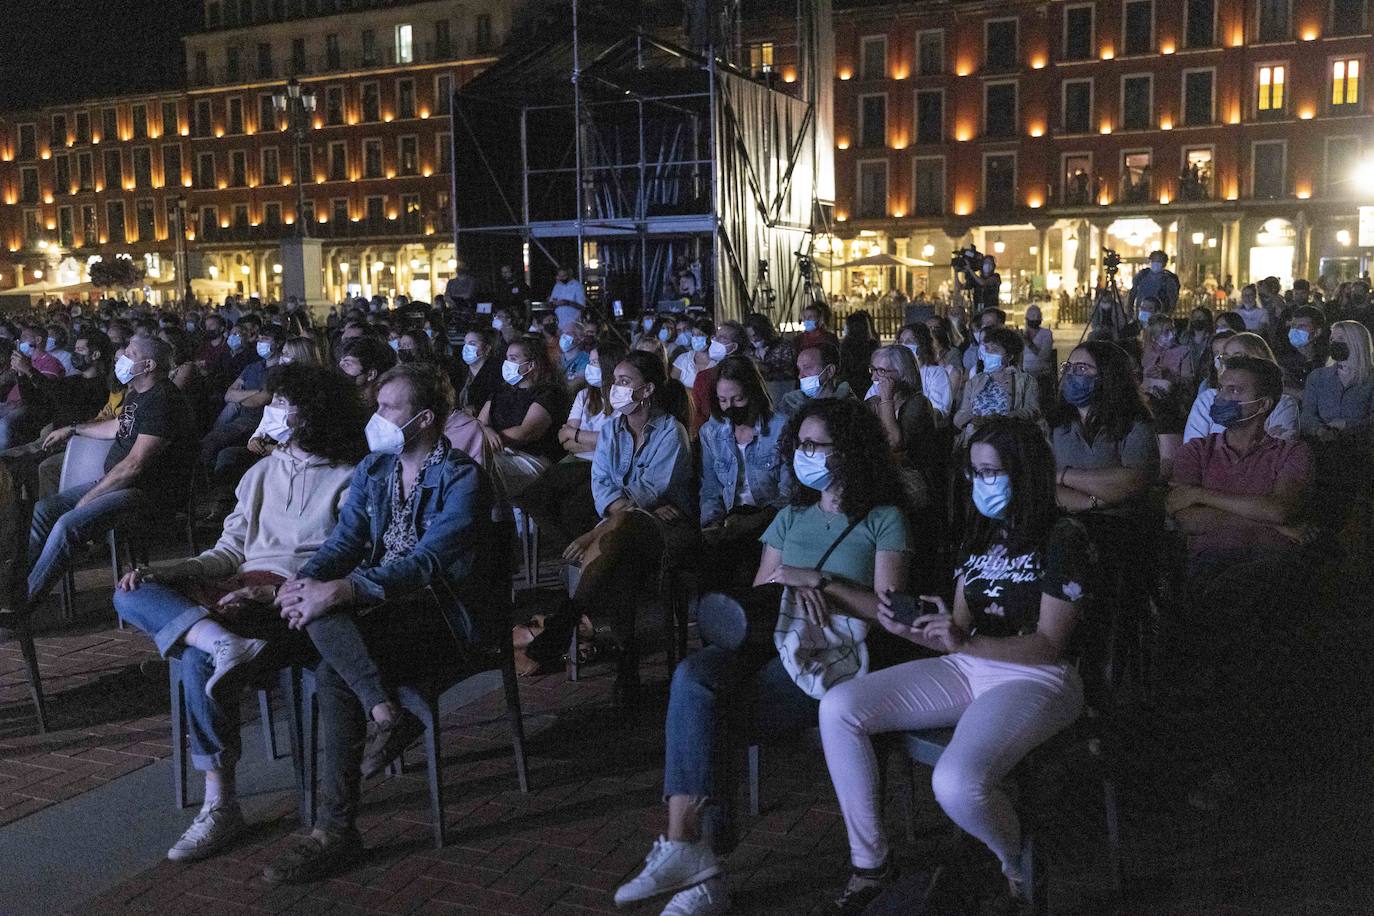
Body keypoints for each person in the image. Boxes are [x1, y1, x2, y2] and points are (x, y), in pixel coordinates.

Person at [612, 398, 910, 915]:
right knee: (692, 677)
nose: (803, 453)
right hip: (773, 637)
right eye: (800, 444)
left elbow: (890, 613)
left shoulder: (884, 519)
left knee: (709, 715)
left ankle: (700, 872)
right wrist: (787, 579)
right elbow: (762, 589)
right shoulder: (791, 515)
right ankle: (687, 848)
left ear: (851, 453)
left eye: (816, 445)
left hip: (830, 652)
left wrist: (824, 582)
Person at [818, 418, 1088, 912]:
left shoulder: (1064, 537)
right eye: (975, 473)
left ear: (1024, 473)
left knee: (956, 782)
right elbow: (959, 624)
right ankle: (870, 861)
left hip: (1038, 678)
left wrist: (965, 642)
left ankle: (1013, 860)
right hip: (969, 666)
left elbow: (1050, 644)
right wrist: (915, 626)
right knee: (840, 706)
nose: (980, 483)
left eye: (991, 472)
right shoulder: (980, 535)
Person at [113, 364, 366, 862]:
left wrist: (267, 593)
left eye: (281, 404)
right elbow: (227, 552)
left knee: (193, 661)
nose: (269, 412)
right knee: (130, 592)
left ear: (309, 415)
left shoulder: (352, 478)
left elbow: (344, 558)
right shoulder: (261, 473)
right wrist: (170, 570)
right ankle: (216, 639)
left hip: (293, 601)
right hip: (237, 586)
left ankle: (220, 804)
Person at [261, 363, 498, 883]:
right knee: (321, 619)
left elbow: (429, 563)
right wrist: (305, 581)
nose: (377, 417)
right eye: (377, 406)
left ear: (424, 418)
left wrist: (341, 589)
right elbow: (345, 542)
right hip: (382, 609)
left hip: (441, 615)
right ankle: (386, 715)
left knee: (329, 660)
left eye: (389, 408)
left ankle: (335, 830)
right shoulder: (374, 470)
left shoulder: (461, 478)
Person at [1166, 356, 1313, 812]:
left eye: (1234, 391)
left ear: (1263, 404)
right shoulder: (1197, 452)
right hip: (1206, 575)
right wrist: (1264, 516)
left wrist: (1207, 497)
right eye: (1220, 388)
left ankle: (1226, 763)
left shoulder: (1292, 453)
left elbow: (1281, 509)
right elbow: (1180, 513)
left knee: (1238, 627)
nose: (1221, 398)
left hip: (1266, 583)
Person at [529, 351, 695, 680]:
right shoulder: (610, 429)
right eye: (614, 381)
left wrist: (594, 532)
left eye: (623, 382)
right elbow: (602, 484)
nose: (614, 389)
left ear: (646, 390)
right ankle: (625, 656)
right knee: (621, 559)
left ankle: (569, 617)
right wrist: (623, 510)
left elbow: (651, 490)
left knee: (625, 526)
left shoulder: (670, 432)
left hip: (667, 527)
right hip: (624, 528)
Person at [20, 336, 196, 611]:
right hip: (118, 482)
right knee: (44, 510)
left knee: (69, 525)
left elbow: (135, 465)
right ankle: (12, 586)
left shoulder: (163, 400)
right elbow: (117, 426)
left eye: (131, 352)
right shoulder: (137, 392)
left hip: (144, 492)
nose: (123, 355)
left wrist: (90, 496)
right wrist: (74, 429)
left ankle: (22, 605)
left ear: (148, 364)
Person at [520, 339, 628, 550]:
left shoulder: (621, 398)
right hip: (575, 461)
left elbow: (615, 440)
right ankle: (572, 552)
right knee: (533, 497)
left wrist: (577, 434)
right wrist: (592, 440)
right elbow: (564, 439)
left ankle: (583, 554)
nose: (590, 367)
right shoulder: (584, 396)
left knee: (574, 508)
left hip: (604, 465)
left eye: (595, 362)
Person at [698, 355, 791, 589]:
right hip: (729, 519)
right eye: (723, 400)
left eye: (738, 399)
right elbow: (710, 489)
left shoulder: (781, 427)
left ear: (753, 394)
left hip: (769, 516)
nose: (730, 407)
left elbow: (789, 494)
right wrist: (712, 522)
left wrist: (754, 520)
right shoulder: (712, 432)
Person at [477, 335, 567, 498]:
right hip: (498, 452)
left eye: (513, 359)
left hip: (530, 457)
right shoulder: (501, 391)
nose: (507, 364)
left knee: (479, 468)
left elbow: (527, 431)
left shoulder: (548, 393)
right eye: (507, 358)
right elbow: (480, 423)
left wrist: (489, 439)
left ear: (531, 365)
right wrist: (487, 432)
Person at [1184, 332, 1299, 442]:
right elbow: (1193, 450)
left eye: (1237, 357)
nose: (1227, 363)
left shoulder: (1282, 404)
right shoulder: (1207, 399)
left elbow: (1277, 455)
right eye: (1224, 357)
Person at [865, 345, 938, 505]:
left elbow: (894, 443)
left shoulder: (918, 403)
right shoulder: (873, 403)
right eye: (873, 370)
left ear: (903, 373)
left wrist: (886, 400)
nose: (874, 378)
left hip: (912, 484)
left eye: (881, 372)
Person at [952, 327, 1040, 439]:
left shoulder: (1026, 381)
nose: (988, 353)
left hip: (1008, 437)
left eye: (994, 350)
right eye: (987, 349)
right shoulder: (975, 381)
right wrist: (973, 419)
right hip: (976, 437)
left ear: (1009, 356)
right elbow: (962, 413)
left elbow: (1032, 410)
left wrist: (1003, 418)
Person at [688, 321, 748, 435]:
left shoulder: (706, 377)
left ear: (733, 347)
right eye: (715, 337)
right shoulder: (704, 377)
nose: (714, 341)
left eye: (722, 338)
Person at [779, 341, 855, 417]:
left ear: (830, 371)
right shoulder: (793, 402)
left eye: (807, 367)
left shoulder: (850, 409)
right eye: (799, 369)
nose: (800, 376)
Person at [896, 323, 953, 420]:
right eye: (901, 342)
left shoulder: (937, 373)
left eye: (909, 341)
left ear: (922, 345)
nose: (903, 345)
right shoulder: (894, 372)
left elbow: (939, 410)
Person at [745, 312, 797, 409]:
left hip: (781, 394)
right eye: (750, 336)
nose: (753, 339)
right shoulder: (749, 350)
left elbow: (790, 373)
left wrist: (764, 368)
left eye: (755, 335)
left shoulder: (784, 347)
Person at [1277, 305, 1330, 394]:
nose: (1295, 330)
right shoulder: (1283, 359)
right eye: (1293, 325)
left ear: (1317, 332)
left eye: (1302, 326)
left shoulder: (1327, 360)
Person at [336, 337, 397, 413]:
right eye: (340, 363)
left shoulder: (385, 414)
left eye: (347, 364)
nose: (340, 368)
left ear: (371, 374)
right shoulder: (340, 407)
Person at [456, 327, 501, 415]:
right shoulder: (458, 371)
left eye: (472, 344)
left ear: (487, 348)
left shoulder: (496, 374)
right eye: (465, 343)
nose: (466, 347)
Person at [1019, 304, 1055, 406]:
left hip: (1041, 373)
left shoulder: (1046, 334)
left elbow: (1044, 356)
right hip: (1025, 373)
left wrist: (1028, 343)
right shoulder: (1022, 334)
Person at [1126, 250, 1181, 315]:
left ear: (1164, 263)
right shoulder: (1141, 276)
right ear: (1150, 261)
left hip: (1159, 315)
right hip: (1141, 312)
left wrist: (1168, 315)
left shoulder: (1169, 280)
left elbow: (1173, 300)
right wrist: (1130, 311)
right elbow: (1132, 294)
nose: (1156, 263)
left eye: (1159, 261)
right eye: (1154, 260)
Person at [838, 311, 879, 398]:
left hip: (851, 383)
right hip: (868, 382)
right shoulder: (872, 344)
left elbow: (844, 366)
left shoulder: (846, 344)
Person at [671, 317, 718, 390]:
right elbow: (672, 386)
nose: (695, 338)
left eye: (700, 335)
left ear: (711, 338)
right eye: (693, 335)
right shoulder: (683, 359)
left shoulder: (718, 363)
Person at [963, 308, 1007, 375]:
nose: (985, 327)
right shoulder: (974, 355)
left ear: (1001, 325)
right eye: (983, 324)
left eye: (990, 324)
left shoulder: (1011, 347)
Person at [548, 266, 587, 331]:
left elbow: (582, 306)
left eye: (564, 276)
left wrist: (567, 303)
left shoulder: (577, 286)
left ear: (570, 275)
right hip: (558, 322)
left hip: (572, 322)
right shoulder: (557, 285)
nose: (561, 278)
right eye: (560, 276)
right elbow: (552, 302)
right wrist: (552, 303)